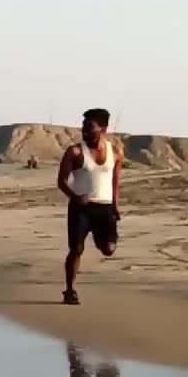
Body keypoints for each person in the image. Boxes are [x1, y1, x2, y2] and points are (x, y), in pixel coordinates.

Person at [57, 108, 122, 305]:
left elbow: (116, 182)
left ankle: (97, 234)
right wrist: (75, 197)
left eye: (89, 126)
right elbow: (61, 181)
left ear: (103, 128)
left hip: (105, 207)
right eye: (83, 125)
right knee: (76, 249)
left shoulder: (116, 152)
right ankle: (70, 290)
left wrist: (116, 206)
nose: (84, 130)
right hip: (81, 208)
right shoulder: (75, 152)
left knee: (109, 249)